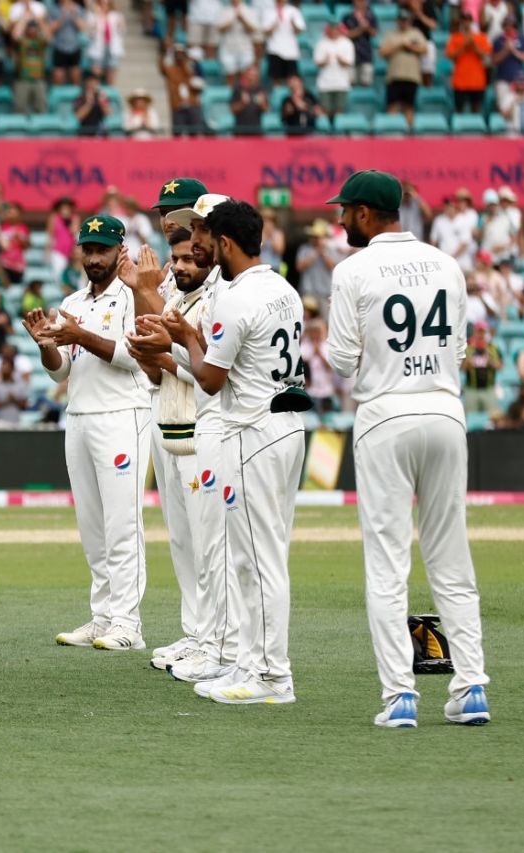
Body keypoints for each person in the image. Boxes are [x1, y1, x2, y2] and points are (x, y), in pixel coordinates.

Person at [325, 169, 491, 728]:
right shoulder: (446, 263)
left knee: (387, 564)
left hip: (385, 415)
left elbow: (341, 361)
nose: (341, 219)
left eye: (345, 210)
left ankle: (400, 696)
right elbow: (459, 351)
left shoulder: (352, 270)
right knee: (452, 557)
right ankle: (471, 687)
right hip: (444, 411)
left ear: (365, 214)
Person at [135, 198, 307, 705]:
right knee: (258, 558)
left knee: (257, 562)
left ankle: (271, 675)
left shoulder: (234, 298)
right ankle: (248, 664)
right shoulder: (283, 288)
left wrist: (185, 336)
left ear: (226, 243)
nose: (199, 250)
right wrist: (186, 339)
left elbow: (210, 380)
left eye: (205, 241)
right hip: (286, 426)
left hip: (251, 431)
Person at [23, 214, 152, 652]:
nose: (94, 258)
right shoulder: (73, 301)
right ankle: (103, 617)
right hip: (78, 415)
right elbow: (63, 369)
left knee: (122, 525)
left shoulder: (134, 297)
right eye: (88, 250)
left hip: (123, 415)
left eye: (103, 250)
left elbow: (133, 357)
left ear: (120, 251)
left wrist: (79, 333)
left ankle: (128, 624)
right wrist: (47, 346)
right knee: (92, 528)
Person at [380, 10, 427, 129]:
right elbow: (383, 52)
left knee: (409, 106)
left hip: (411, 76)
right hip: (394, 76)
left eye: (405, 20)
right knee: (392, 105)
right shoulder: (390, 34)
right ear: (397, 21)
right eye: (401, 20)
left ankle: (409, 132)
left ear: (409, 21)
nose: (403, 22)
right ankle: (391, 131)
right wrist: (399, 46)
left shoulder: (416, 33)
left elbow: (424, 50)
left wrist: (410, 47)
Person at [447, 12, 492, 114]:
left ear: (471, 22)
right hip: (460, 80)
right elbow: (451, 56)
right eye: (464, 20)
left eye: (468, 20)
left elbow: (485, 56)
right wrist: (464, 46)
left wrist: (473, 46)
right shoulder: (455, 37)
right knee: (459, 109)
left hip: (477, 80)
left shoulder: (481, 37)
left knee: (476, 108)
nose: (466, 23)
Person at [314, 23, 355, 118]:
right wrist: (325, 61)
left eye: (335, 29)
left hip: (341, 83)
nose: (333, 32)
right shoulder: (321, 43)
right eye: (331, 29)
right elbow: (317, 62)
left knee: (339, 110)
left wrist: (341, 61)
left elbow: (349, 63)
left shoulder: (347, 43)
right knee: (325, 110)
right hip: (325, 84)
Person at [463, 321, 502, 415]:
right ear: (475, 332)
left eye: (483, 332)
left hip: (488, 389)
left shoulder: (493, 348)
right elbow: (461, 367)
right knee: (470, 416)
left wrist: (491, 363)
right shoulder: (468, 348)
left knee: (493, 416)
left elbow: (500, 365)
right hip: (472, 389)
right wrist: (468, 363)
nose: (481, 335)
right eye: (479, 332)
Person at [262, 0, 305, 84]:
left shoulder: (294, 11)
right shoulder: (268, 12)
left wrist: (293, 23)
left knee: (292, 78)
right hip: (274, 49)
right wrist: (274, 25)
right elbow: (265, 32)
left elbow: (299, 30)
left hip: (290, 51)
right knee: (276, 79)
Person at [0, 354, 30, 422]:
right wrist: (6, 401)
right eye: (3, 367)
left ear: (12, 368)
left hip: (16, 421)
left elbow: (24, 406)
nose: (4, 369)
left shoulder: (21, 384)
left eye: (7, 367)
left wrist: (14, 400)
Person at [230, 65, 267, 135]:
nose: (253, 77)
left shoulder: (261, 89)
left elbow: (266, 109)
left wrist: (262, 103)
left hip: (256, 131)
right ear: (246, 75)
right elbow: (232, 109)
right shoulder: (238, 89)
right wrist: (242, 103)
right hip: (240, 131)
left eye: (255, 75)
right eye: (251, 75)